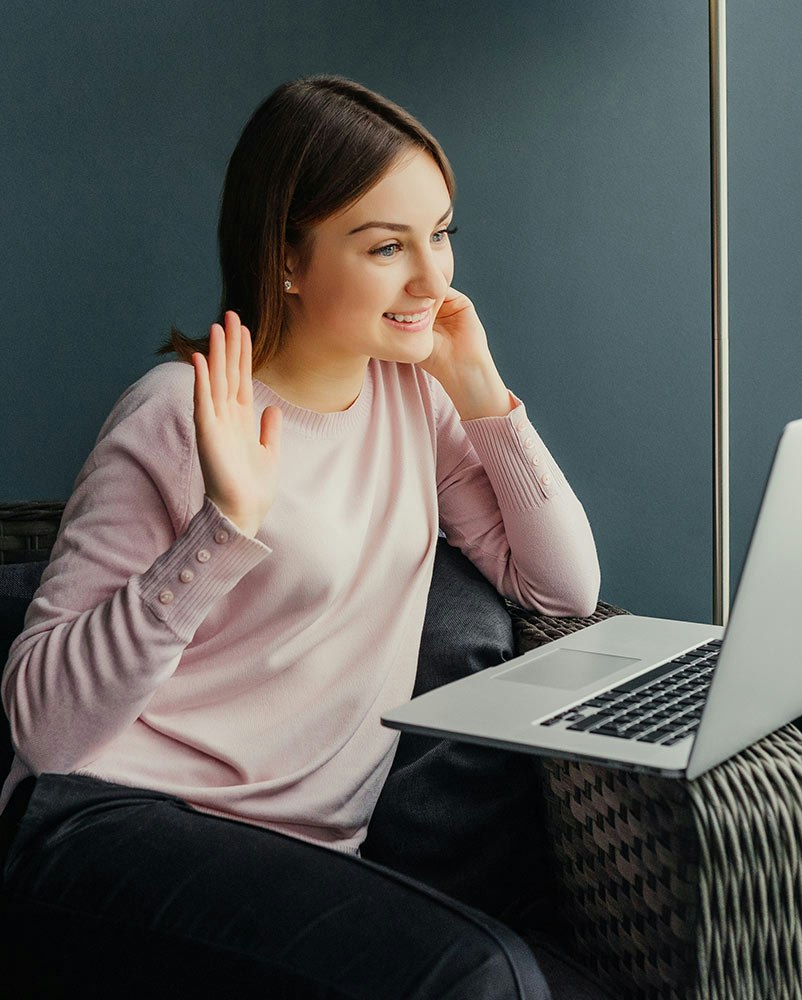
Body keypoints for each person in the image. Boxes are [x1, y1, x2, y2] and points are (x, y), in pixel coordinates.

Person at [0, 75, 602, 998]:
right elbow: (44, 728)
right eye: (385, 246)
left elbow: (561, 589)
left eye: (439, 234)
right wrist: (225, 525)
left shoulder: (414, 397)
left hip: (295, 861)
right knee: (479, 977)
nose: (433, 280)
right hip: (103, 829)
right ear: (288, 255)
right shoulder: (175, 415)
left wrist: (482, 393)